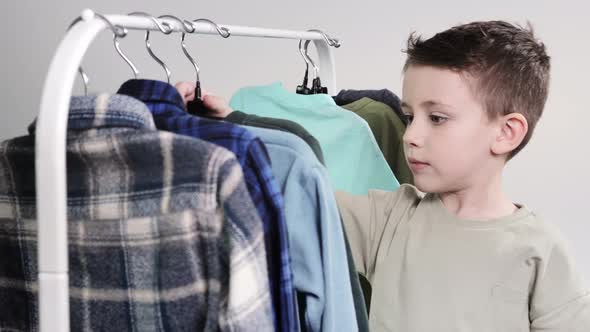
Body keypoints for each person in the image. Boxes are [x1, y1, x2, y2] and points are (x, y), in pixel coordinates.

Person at [335, 21, 590, 331]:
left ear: (506, 133)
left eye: (437, 118)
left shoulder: (542, 252)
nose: (410, 135)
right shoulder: (386, 219)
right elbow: (288, 198)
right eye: (409, 117)